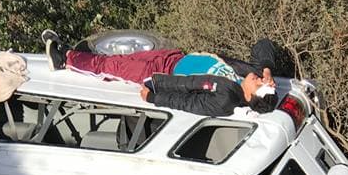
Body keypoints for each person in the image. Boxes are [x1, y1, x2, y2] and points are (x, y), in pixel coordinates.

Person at [42, 32, 278, 117]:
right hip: (173, 57)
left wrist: (155, 97)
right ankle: (75, 55)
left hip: (162, 75)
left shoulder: (226, 99)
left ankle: (65, 59)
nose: (258, 79)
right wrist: (266, 68)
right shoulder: (245, 76)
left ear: (251, 97)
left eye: (260, 84)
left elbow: (189, 103)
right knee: (118, 59)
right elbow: (264, 44)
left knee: (112, 68)